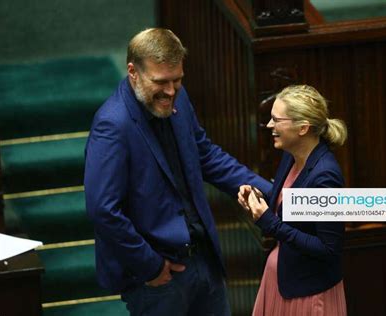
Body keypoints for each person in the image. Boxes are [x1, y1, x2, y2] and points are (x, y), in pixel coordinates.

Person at [84, 28, 271, 316]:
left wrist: (272, 191)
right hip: (159, 277)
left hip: (204, 260)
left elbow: (206, 155)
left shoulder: (177, 99)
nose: (171, 91)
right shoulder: (112, 125)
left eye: (177, 80)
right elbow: (103, 210)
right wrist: (151, 266)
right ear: (133, 71)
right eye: (161, 82)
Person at [238, 85, 348, 315]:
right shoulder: (292, 157)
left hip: (307, 294)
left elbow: (328, 248)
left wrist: (270, 223)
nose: (269, 126)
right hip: (282, 280)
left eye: (276, 120)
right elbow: (290, 207)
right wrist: (257, 199)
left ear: (303, 128)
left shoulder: (325, 177)